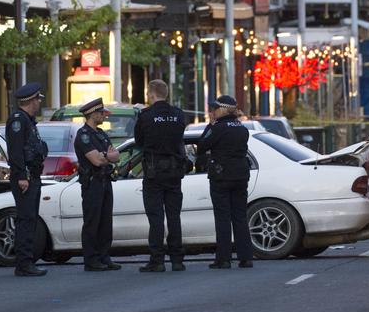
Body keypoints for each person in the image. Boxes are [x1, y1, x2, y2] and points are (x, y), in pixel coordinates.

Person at [134, 79, 187, 272]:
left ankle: (157, 260)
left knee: (156, 217)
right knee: (174, 216)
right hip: (174, 172)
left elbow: (139, 141)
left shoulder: (146, 115)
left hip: (154, 172)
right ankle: (177, 260)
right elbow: (180, 136)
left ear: (151, 94)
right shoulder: (178, 115)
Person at [197, 95, 254, 269]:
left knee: (223, 218)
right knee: (240, 217)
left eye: (214, 109)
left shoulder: (218, 128)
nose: (212, 112)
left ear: (221, 109)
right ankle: (246, 257)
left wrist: (210, 124)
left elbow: (201, 146)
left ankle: (224, 258)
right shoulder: (242, 128)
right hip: (240, 176)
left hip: (221, 177)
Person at [5, 82, 49, 277]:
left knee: (30, 219)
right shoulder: (18, 120)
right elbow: (15, 152)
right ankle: (24, 263)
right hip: (26, 178)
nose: (39, 103)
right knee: (25, 219)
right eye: (37, 100)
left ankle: (27, 261)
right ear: (31, 100)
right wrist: (22, 176)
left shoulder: (28, 121)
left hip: (32, 176)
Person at [74, 98, 122, 272]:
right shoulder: (84, 135)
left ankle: (104, 256)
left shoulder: (101, 134)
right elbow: (95, 160)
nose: (104, 116)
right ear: (93, 114)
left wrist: (106, 156)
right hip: (92, 183)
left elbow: (116, 155)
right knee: (92, 221)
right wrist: (106, 156)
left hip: (105, 181)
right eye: (101, 113)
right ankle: (91, 259)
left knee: (105, 221)